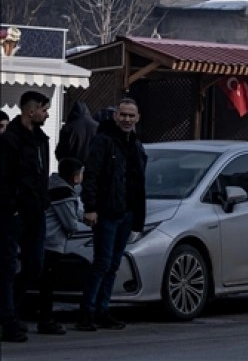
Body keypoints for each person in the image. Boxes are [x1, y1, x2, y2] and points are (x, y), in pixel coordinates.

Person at [78, 99, 147, 332]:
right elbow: (92, 176)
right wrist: (90, 207)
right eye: (123, 115)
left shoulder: (136, 146)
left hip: (127, 213)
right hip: (107, 213)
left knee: (113, 264)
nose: (127, 119)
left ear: (137, 118)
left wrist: (139, 217)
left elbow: (139, 184)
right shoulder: (103, 141)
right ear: (115, 116)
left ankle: (102, 309)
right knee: (102, 263)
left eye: (131, 115)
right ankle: (86, 312)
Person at [0, 90, 54, 342]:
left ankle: (12, 311)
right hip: (14, 214)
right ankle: (8, 319)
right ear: (30, 111)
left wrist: (42, 202)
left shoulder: (42, 139)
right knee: (8, 266)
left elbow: (42, 175)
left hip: (35, 213)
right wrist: (13, 206)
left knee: (35, 265)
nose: (46, 114)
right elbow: (4, 178)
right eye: (43, 110)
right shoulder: (10, 140)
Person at [40, 157, 89, 335]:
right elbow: (70, 222)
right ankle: (46, 320)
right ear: (75, 176)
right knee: (48, 284)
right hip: (52, 242)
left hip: (45, 240)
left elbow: (76, 212)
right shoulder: (64, 193)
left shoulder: (55, 186)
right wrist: (85, 224)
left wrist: (83, 215)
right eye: (81, 173)